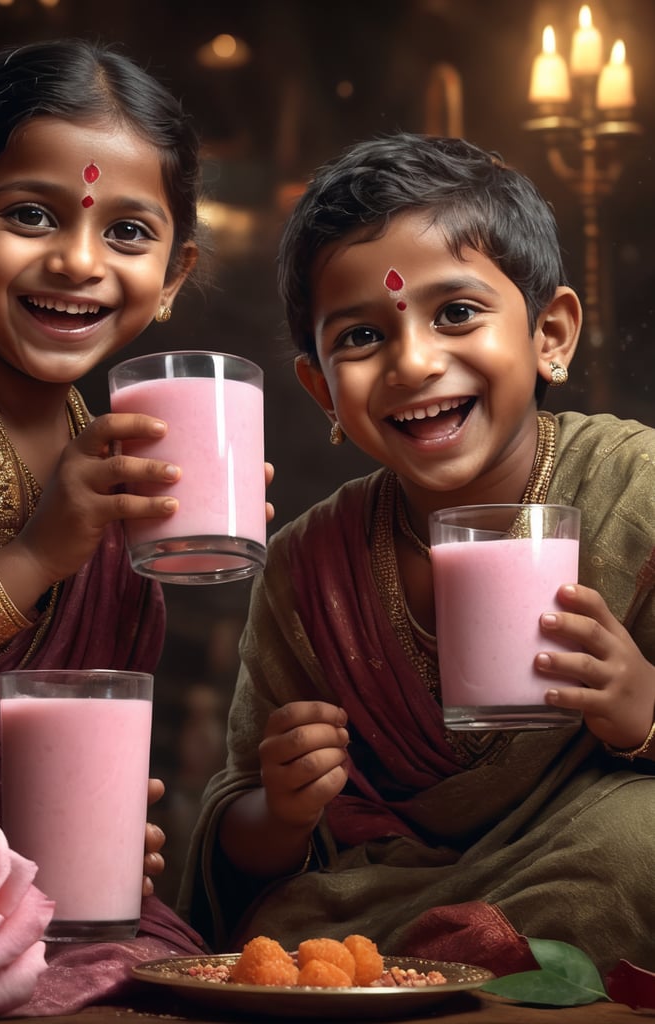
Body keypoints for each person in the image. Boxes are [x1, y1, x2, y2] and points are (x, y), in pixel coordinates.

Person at [179, 132, 655, 977]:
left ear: (551, 333)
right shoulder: (305, 567)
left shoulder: (635, 489)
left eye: (457, 313)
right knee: (293, 920)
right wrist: (283, 811)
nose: (413, 361)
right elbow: (240, 831)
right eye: (360, 337)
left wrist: (643, 711)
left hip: (584, 855)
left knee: (632, 850)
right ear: (323, 390)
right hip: (381, 888)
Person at [0, 38, 211, 1012]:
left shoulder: (110, 441)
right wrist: (33, 557)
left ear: (174, 273)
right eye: (31, 214)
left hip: (40, 893)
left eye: (127, 231)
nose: (78, 259)